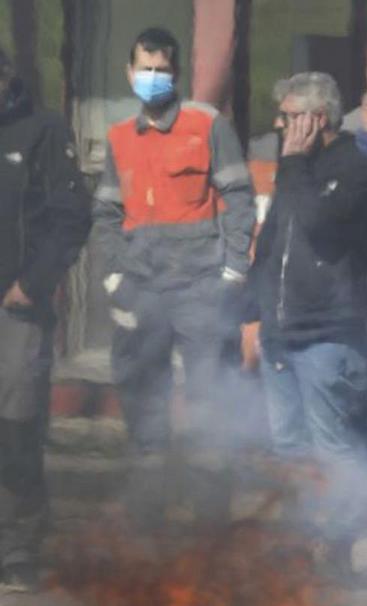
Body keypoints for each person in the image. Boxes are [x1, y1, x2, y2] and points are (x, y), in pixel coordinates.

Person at [92, 27, 256, 455]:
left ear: (176, 73)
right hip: (141, 288)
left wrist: (234, 270)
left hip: (200, 288)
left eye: (160, 69)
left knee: (210, 396)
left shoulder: (207, 126)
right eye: (144, 69)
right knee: (140, 389)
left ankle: (208, 502)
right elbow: (106, 214)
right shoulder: (119, 138)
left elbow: (239, 199)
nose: (152, 76)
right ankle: (152, 491)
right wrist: (113, 275)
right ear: (129, 73)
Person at [248, 71, 367, 463]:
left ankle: (340, 519)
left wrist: (292, 165)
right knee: (287, 445)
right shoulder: (295, 170)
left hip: (327, 333)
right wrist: (254, 306)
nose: (280, 125)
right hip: (280, 330)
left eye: (289, 116)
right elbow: (272, 240)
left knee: (330, 443)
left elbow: (318, 224)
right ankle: (301, 522)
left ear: (318, 118)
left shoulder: (355, 169)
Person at [0, 48, 92, 591]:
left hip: (17, 305)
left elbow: (71, 216)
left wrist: (30, 283)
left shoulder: (42, 130)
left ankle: (18, 546)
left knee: (16, 426)